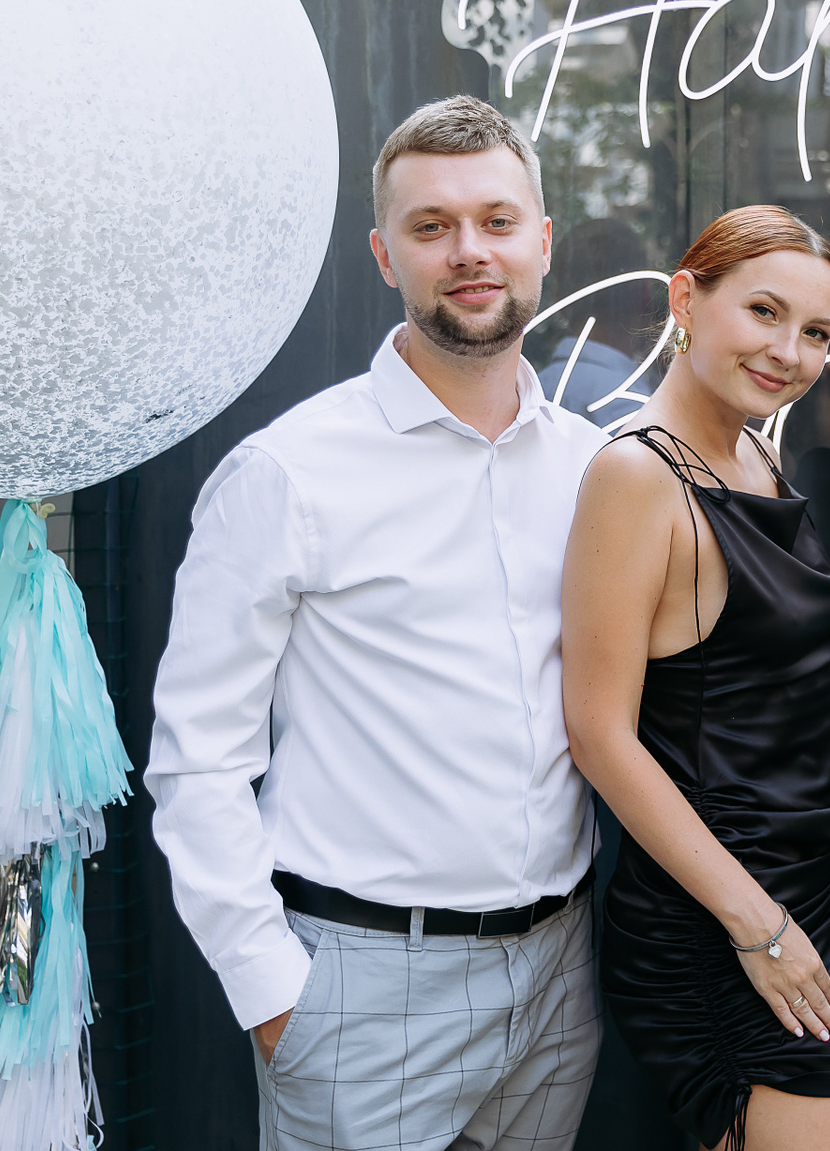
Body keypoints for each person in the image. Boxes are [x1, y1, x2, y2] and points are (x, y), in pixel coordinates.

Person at [147, 94, 606, 1151]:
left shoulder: (595, 466)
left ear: (541, 242)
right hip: (359, 991)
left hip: (560, 974)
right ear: (384, 254)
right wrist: (275, 995)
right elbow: (196, 757)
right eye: (431, 225)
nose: (469, 250)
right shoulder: (286, 472)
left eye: (496, 220)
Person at [561, 207, 830, 1151]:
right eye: (764, 312)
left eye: (816, 331)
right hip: (721, 920)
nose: (789, 352)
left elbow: (767, 677)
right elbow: (599, 734)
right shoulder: (637, 473)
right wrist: (757, 926)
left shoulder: (756, 453)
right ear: (685, 301)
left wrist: (826, 819)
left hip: (801, 894)